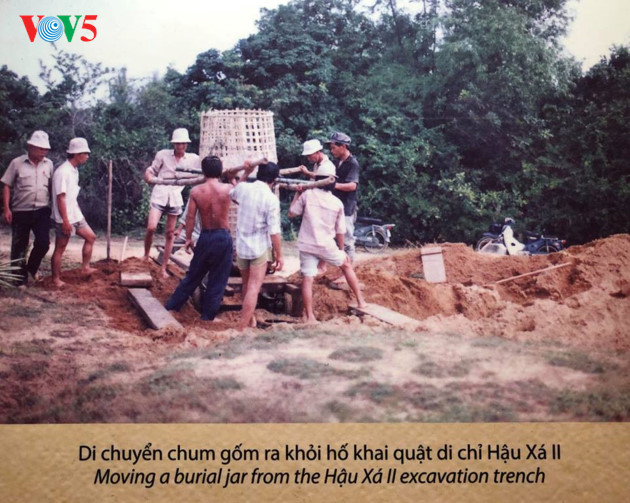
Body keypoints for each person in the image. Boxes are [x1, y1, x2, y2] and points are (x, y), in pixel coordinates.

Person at [289, 161, 366, 323]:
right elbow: (340, 231)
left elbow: (292, 213)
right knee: (346, 264)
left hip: (307, 244)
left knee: (308, 278)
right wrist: (341, 249)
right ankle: (361, 301)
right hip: (326, 245)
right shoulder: (337, 203)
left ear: (317, 179)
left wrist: (298, 193)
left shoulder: (307, 195)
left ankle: (310, 316)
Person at [165, 156, 234, 321]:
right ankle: (207, 317)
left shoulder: (196, 191)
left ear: (203, 171)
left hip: (206, 236)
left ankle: (171, 307)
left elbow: (190, 217)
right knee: (218, 280)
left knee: (193, 276)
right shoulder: (228, 189)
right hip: (222, 237)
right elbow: (240, 193)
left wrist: (188, 238)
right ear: (220, 171)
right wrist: (233, 178)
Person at [229, 162, 284, 331]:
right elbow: (274, 231)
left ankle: (250, 320)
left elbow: (233, 193)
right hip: (259, 248)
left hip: (242, 247)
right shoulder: (271, 199)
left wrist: (246, 173)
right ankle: (241, 328)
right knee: (253, 288)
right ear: (274, 180)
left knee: (246, 286)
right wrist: (279, 255)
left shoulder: (244, 188)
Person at [143, 128, 200, 278]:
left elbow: (206, 167)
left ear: (186, 144)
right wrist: (149, 175)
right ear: (173, 144)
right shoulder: (163, 155)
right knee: (151, 227)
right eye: (178, 143)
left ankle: (163, 267)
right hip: (160, 194)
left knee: (170, 234)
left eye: (183, 143)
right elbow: (151, 170)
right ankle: (146, 255)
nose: (180, 146)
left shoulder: (193, 159)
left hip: (175, 197)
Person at [1, 131, 53, 286]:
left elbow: (52, 187)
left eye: (46, 149)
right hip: (21, 210)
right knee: (19, 245)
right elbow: (7, 185)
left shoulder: (49, 164)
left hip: (42, 210)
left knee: (43, 243)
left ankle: (31, 268)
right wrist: (6, 209)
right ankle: (19, 280)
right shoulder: (17, 163)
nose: (44, 152)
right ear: (31, 147)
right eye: (41, 148)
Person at [50, 138, 97, 287]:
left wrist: (78, 211)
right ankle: (56, 279)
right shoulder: (62, 172)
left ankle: (85, 267)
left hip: (75, 214)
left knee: (91, 237)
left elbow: (71, 196)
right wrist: (65, 221)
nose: (87, 156)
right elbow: (61, 198)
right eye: (85, 153)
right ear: (76, 154)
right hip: (64, 217)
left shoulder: (74, 170)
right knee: (60, 248)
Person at [328, 131, 360, 263]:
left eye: (334, 148)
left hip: (347, 207)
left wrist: (333, 185)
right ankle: (339, 268)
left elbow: (352, 186)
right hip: (335, 205)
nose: (332, 151)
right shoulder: (336, 162)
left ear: (343, 146)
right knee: (335, 239)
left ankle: (349, 269)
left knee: (347, 240)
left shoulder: (353, 163)